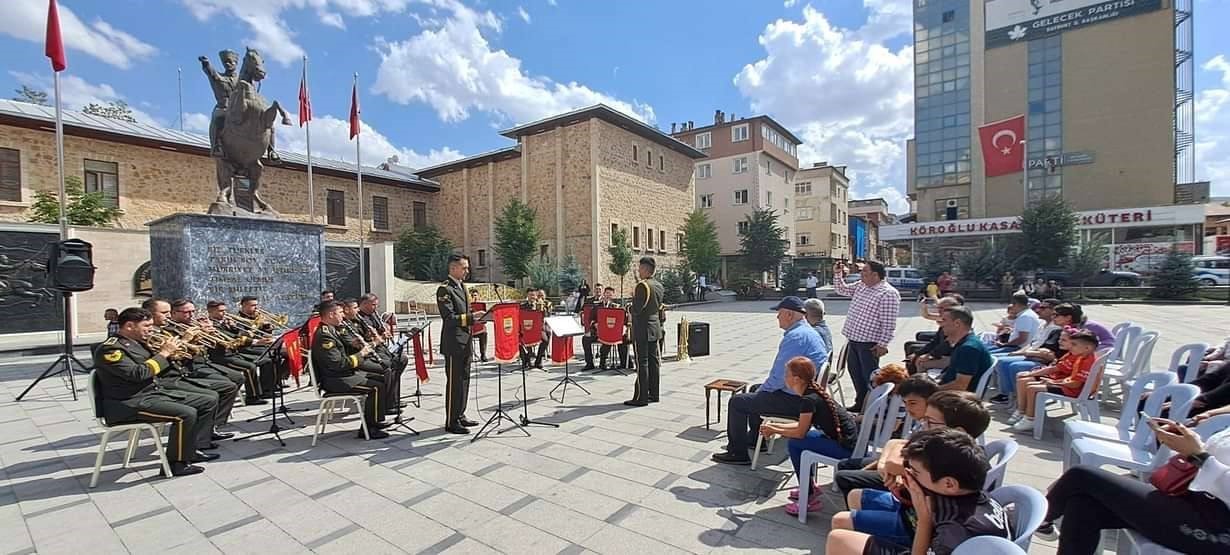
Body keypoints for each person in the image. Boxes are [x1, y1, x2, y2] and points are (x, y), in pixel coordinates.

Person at [1036, 419, 1230, 554]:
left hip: (1219, 529)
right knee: (1084, 505)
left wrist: (1199, 456)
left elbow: (1209, 463)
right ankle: (1035, 521)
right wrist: (1186, 442)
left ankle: (1030, 521)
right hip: (1193, 502)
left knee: (1082, 475)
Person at [827, 428, 1012, 555]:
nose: (907, 475)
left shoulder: (954, 531)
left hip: (924, 540)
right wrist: (906, 493)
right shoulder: (966, 493)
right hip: (923, 530)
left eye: (914, 473)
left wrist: (923, 518)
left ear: (949, 483)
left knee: (838, 539)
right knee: (854, 499)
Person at [94, 308, 218, 476]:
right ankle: (176, 464)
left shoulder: (140, 342)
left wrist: (177, 349)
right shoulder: (110, 350)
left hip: (150, 394)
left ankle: (190, 450)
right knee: (186, 414)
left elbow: (160, 366)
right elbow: (138, 374)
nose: (151, 330)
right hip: (128, 403)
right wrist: (165, 352)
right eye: (146, 326)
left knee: (208, 400)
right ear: (129, 326)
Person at [712, 296, 829, 464]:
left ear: (789, 314)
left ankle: (737, 453)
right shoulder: (809, 331)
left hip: (798, 401)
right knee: (754, 389)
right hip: (807, 394)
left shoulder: (795, 337)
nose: (777, 317)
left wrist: (761, 393)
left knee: (738, 402)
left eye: (779, 313)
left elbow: (779, 377)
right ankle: (755, 439)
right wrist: (759, 392)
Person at [834, 390, 992, 501]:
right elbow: (896, 443)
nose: (923, 425)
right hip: (905, 484)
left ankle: (862, 522)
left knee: (845, 478)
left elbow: (896, 464)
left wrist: (891, 464)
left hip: (913, 506)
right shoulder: (944, 442)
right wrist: (885, 464)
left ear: (957, 431)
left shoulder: (951, 458)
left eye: (929, 421)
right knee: (845, 465)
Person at [759, 356, 857, 516]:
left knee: (795, 443)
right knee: (801, 440)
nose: (785, 378)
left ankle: (809, 497)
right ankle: (809, 486)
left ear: (796, 379)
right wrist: (773, 427)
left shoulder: (808, 400)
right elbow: (802, 425)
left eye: (787, 374)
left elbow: (799, 432)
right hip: (847, 441)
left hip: (846, 449)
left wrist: (775, 430)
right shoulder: (812, 392)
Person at [312, 301, 389, 440]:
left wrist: (357, 343)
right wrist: (362, 353)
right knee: (376, 387)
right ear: (331, 314)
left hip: (341, 375)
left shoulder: (331, 329)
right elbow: (339, 364)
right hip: (336, 380)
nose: (343, 316)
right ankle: (369, 428)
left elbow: (342, 352)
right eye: (340, 313)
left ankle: (375, 421)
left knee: (380, 378)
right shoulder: (325, 335)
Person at [832, 260, 901, 411]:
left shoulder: (888, 293)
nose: (861, 274)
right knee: (855, 374)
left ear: (875, 275)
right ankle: (860, 402)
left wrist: (883, 344)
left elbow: (888, 322)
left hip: (869, 343)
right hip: (853, 339)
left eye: (865, 272)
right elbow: (842, 290)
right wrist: (838, 274)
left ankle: (873, 407)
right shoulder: (861, 285)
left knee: (869, 376)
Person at [1009, 328, 1097, 431]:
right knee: (1024, 379)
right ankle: (1022, 411)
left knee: (1032, 388)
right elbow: (1057, 368)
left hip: (1073, 391)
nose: (1071, 347)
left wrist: (1053, 382)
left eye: (1074, 344)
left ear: (1087, 348)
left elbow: (1075, 384)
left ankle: (1030, 419)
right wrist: (1040, 376)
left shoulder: (1087, 362)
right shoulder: (1079, 355)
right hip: (1065, 384)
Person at [437, 254, 484, 434]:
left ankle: (460, 414)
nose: (467, 271)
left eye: (467, 267)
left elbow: (466, 311)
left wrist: (478, 318)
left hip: (465, 341)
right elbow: (449, 319)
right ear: (453, 268)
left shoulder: (462, 286)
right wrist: (472, 318)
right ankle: (451, 421)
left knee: (464, 380)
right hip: (453, 343)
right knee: (454, 382)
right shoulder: (444, 290)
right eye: (464, 268)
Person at [988, 298, 1063, 404]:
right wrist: (1018, 353)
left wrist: (1022, 352)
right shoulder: (1042, 324)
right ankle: (1008, 394)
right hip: (1029, 353)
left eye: (1042, 308)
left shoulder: (1055, 328)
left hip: (1040, 359)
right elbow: (1031, 343)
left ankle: (1016, 396)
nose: (1038, 310)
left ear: (1053, 311)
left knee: (1014, 365)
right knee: (1001, 361)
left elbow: (1046, 351)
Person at [626, 257, 665, 407]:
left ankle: (641, 397)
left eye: (640, 268)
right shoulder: (658, 285)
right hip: (655, 328)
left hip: (642, 329)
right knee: (654, 362)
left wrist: (630, 304)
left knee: (642, 363)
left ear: (645, 269)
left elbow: (636, 309)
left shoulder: (642, 286)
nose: (638, 270)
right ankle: (654, 394)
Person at [936, 306, 994, 393]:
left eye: (944, 320)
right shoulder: (965, 343)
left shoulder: (968, 348)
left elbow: (960, 386)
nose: (940, 324)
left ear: (957, 323)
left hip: (953, 398)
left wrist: (930, 390)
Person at [907, 296, 962, 375]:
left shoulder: (954, 322)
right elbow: (935, 341)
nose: (939, 311)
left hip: (953, 358)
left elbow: (946, 345)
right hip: (945, 354)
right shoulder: (946, 319)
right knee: (915, 354)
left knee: (920, 362)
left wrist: (929, 355)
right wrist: (918, 354)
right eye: (938, 308)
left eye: (942, 308)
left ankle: (918, 383)